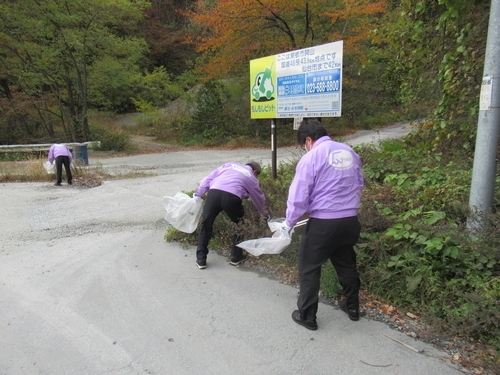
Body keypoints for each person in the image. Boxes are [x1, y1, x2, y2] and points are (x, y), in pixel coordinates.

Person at [280, 119, 364, 330]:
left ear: (308, 139)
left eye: (303, 144)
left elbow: (299, 194)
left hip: (324, 223)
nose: (304, 148)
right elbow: (359, 182)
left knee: (309, 268)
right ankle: (352, 307)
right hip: (350, 220)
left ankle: (307, 316)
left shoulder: (313, 156)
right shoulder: (349, 151)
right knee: (346, 263)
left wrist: (289, 223)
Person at [194, 161, 269, 269]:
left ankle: (201, 259)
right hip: (231, 197)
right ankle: (236, 257)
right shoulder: (251, 177)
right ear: (255, 171)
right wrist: (265, 214)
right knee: (241, 224)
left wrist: (198, 194)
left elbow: (209, 178)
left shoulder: (229, 165)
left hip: (213, 193)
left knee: (206, 224)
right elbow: (258, 198)